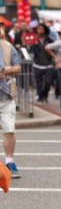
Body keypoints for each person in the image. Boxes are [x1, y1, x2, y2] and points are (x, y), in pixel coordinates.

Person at [0, 30, 21, 178]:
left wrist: (10, 70)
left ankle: (9, 162)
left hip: (7, 95)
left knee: (9, 129)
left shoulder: (7, 46)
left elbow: (18, 67)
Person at [30, 23, 54, 104]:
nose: (40, 30)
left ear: (45, 30)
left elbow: (54, 51)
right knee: (39, 83)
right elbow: (30, 50)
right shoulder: (34, 40)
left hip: (48, 65)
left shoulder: (50, 40)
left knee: (48, 82)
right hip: (37, 64)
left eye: (42, 29)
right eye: (38, 29)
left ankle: (45, 95)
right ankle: (40, 97)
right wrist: (33, 45)